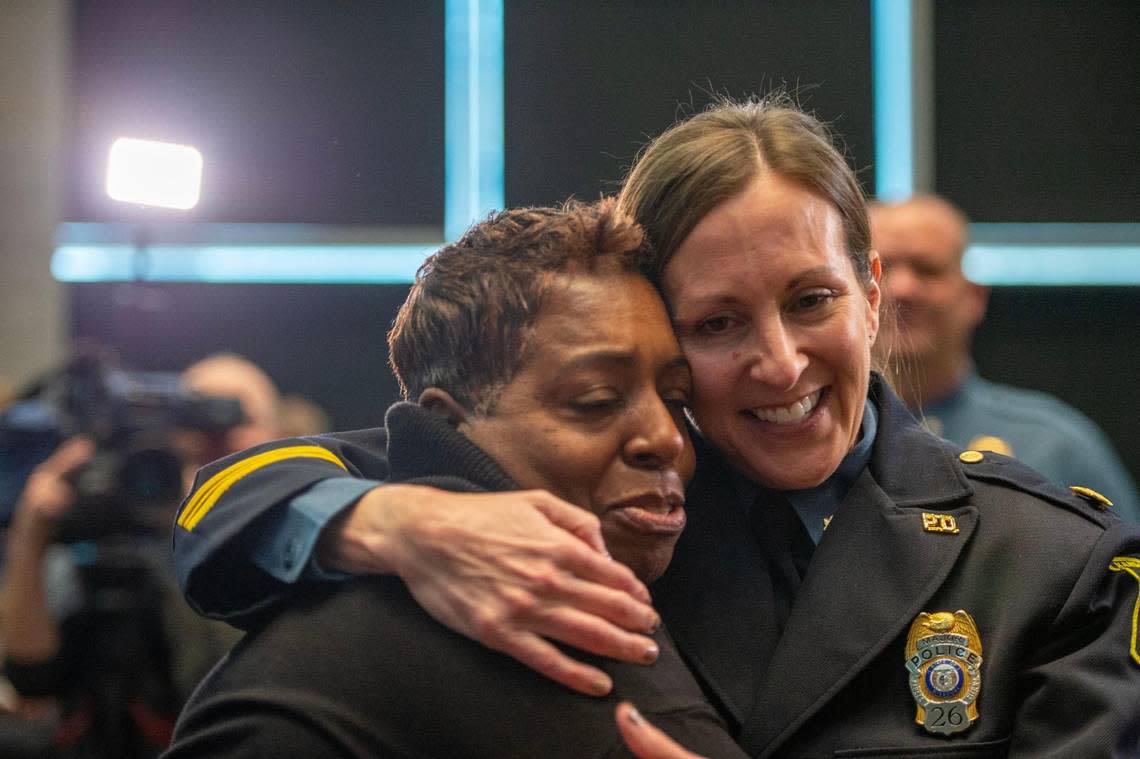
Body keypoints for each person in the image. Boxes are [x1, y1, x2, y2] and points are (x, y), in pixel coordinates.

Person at [172, 96, 1140, 758]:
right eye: (717, 324)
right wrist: (394, 524)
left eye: (810, 301)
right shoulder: (613, 507)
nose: (779, 363)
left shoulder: (1053, 563)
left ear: (871, 295)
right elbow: (242, 495)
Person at [163, 200, 745, 758]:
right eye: (596, 400)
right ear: (447, 426)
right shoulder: (535, 602)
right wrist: (400, 519)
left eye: (677, 398)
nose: (668, 438)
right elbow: (234, 488)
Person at [0, 353, 277, 758]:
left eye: (231, 419)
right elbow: (32, 676)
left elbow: (223, 678)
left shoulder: (300, 542)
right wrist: (30, 535)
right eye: (197, 421)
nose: (214, 441)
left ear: (278, 430)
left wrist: (193, 525)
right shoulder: (103, 519)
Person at [870, 194, 1140, 522]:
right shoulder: (816, 443)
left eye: (927, 270)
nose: (903, 288)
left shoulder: (1056, 447)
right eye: (883, 270)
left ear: (974, 297)